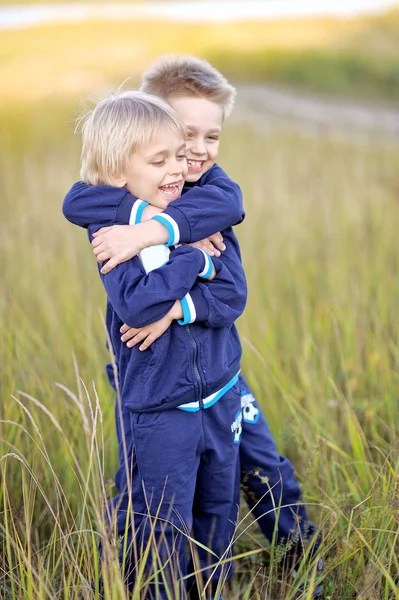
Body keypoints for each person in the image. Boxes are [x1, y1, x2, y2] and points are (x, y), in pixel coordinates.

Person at [63, 56, 323, 596]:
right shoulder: (124, 201)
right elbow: (79, 198)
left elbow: (230, 286)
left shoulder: (213, 196)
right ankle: (128, 574)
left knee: (257, 468)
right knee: (146, 492)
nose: (194, 154)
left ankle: (299, 556)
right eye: (181, 140)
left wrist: (164, 261)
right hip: (158, 385)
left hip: (220, 377)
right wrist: (142, 230)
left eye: (210, 137)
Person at [65, 90, 248, 599]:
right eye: (160, 159)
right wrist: (191, 256)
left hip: (220, 390)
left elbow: (233, 293)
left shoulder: (196, 205)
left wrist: (182, 294)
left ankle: (211, 591)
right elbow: (140, 306)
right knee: (162, 520)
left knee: (217, 506)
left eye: (179, 154)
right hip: (160, 404)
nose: (179, 167)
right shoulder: (112, 234)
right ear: (120, 171)